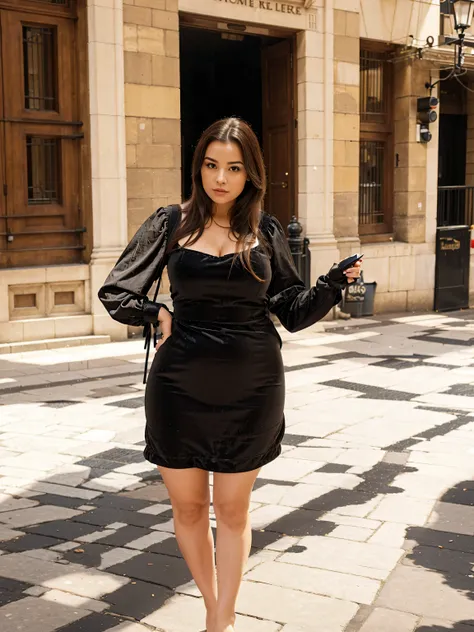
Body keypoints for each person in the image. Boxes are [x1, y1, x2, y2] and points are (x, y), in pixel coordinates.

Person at [98, 117, 361, 632]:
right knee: (191, 507)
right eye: (212, 165)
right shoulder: (170, 223)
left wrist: (331, 283)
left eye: (234, 168)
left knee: (234, 512)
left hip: (253, 384)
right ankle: (210, 606)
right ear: (199, 168)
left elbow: (290, 307)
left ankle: (222, 620)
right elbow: (117, 292)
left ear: (250, 175)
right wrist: (157, 313)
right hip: (179, 386)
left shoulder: (264, 228)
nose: (221, 178)